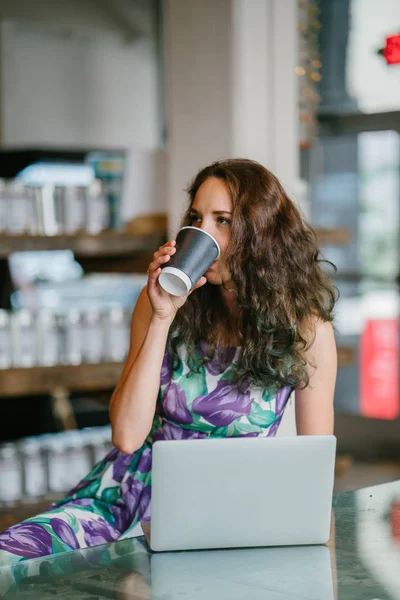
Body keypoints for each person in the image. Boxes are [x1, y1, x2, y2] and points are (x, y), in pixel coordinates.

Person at [0, 159, 337, 565]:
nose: (203, 232)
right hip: (119, 500)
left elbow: (314, 474)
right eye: (196, 217)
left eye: (223, 220)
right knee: (10, 554)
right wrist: (163, 315)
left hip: (221, 519)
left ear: (260, 233)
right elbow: (126, 436)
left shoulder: (306, 330)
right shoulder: (162, 305)